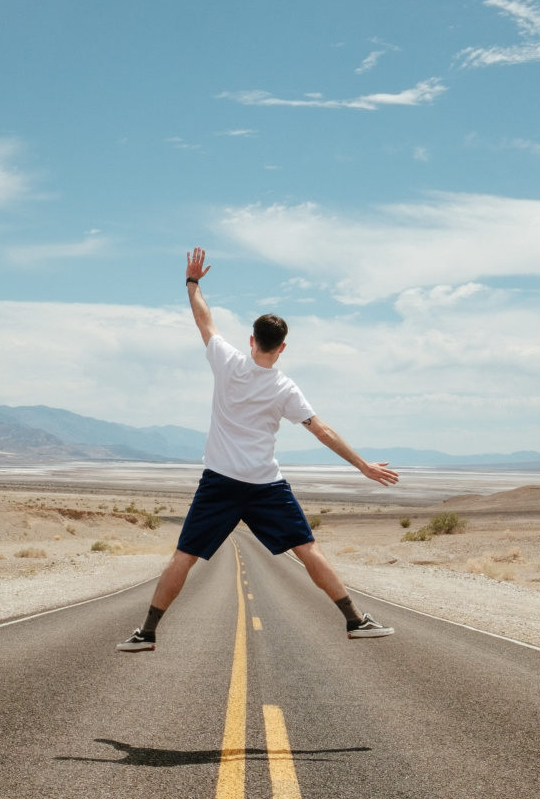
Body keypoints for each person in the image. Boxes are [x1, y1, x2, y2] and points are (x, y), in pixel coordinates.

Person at [119, 248, 399, 651]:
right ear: (282, 347)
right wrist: (362, 465)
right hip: (266, 485)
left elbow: (203, 318)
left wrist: (192, 282)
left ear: (252, 340)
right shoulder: (285, 389)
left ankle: (146, 633)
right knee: (307, 550)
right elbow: (321, 430)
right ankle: (355, 620)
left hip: (219, 482)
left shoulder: (226, 360)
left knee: (184, 556)